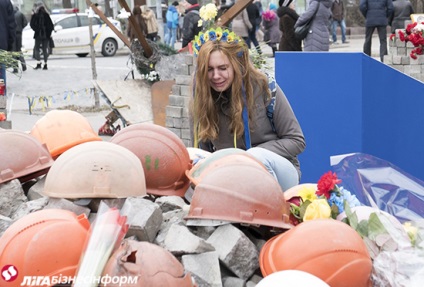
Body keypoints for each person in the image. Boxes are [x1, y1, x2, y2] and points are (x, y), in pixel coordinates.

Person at [190, 27, 306, 191]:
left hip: (278, 171)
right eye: (209, 69)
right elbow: (202, 153)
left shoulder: (264, 86)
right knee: (190, 155)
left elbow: (297, 141)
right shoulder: (201, 98)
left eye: (223, 68)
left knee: (255, 157)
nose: (216, 76)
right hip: (231, 174)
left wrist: (245, 157)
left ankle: (271, 210)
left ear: (236, 66)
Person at [0, 0, 16, 95]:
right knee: (0, 80)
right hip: (1, 46)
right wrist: (9, 45)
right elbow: (12, 26)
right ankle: (1, 107)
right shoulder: (5, 2)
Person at [30, 5, 54, 70]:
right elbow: (51, 26)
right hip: (46, 35)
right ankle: (45, 64)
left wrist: (37, 30)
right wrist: (48, 33)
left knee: (37, 49)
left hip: (38, 35)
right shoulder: (47, 16)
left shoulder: (35, 15)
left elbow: (31, 24)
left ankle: (38, 63)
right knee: (45, 49)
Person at [13, 5, 28, 72]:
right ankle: (23, 65)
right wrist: (21, 28)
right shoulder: (20, 14)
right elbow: (25, 23)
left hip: (12, 34)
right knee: (19, 50)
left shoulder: (9, 15)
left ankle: (15, 68)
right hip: (19, 34)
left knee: (13, 51)